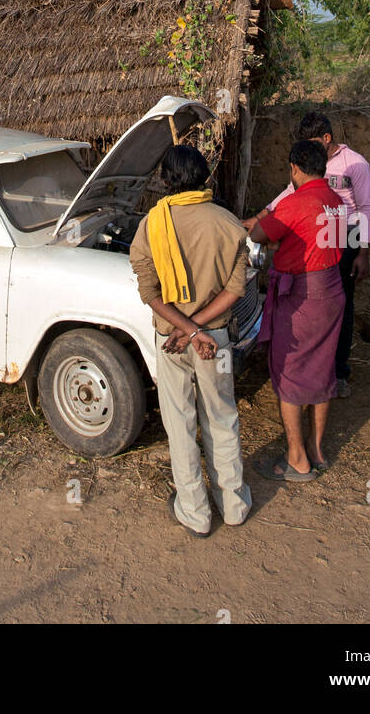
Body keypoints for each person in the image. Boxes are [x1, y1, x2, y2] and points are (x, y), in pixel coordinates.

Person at [129, 144, 251, 536]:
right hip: (215, 341)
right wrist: (199, 330)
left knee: (179, 424)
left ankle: (195, 511)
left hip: (173, 341)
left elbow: (149, 293)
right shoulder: (229, 224)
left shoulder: (152, 224)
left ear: (166, 180)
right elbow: (234, 290)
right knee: (222, 416)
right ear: (205, 177)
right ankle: (233, 504)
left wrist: (186, 330)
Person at [244, 140, 346, 480]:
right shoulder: (335, 201)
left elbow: (258, 234)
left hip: (303, 296)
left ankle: (297, 459)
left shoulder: (296, 202)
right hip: (332, 290)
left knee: (289, 372)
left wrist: (274, 236)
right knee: (321, 368)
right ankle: (317, 449)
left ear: (294, 169)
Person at [252, 112, 370, 397]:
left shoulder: (355, 164)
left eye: (314, 143)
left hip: (345, 234)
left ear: (327, 139)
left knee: (341, 303)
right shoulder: (311, 165)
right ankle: (307, 368)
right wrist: (259, 217)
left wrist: (363, 252)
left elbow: (365, 208)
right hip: (312, 232)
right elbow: (290, 192)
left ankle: (338, 372)